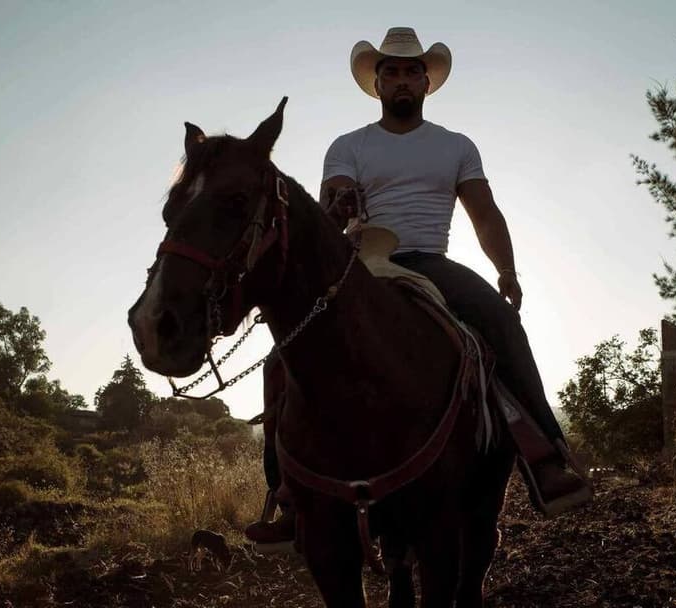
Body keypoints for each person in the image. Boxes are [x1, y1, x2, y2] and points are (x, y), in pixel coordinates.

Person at [246, 27, 591, 549]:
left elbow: (484, 212)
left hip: (432, 261)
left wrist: (507, 270)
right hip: (362, 263)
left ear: (427, 83)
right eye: (392, 72)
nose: (402, 80)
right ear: (377, 83)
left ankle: (545, 457)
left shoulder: (455, 146)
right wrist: (338, 209)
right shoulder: (349, 145)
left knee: (501, 323)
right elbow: (330, 213)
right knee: (283, 356)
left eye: (411, 71)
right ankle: (288, 493)